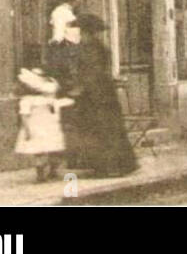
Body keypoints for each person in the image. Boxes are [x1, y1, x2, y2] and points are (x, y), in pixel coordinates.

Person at [63, 14, 138, 176]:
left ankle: (109, 167)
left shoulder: (89, 48)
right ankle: (115, 165)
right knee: (108, 129)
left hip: (95, 95)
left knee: (100, 130)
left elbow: (92, 72)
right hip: (103, 93)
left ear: (87, 32)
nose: (80, 35)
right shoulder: (98, 47)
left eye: (82, 32)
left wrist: (79, 88)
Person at [14, 67, 74, 182]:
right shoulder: (27, 100)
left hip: (49, 125)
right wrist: (27, 131)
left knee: (54, 149)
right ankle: (40, 174)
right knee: (40, 151)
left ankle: (52, 170)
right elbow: (24, 116)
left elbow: (57, 106)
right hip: (36, 126)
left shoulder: (47, 98)